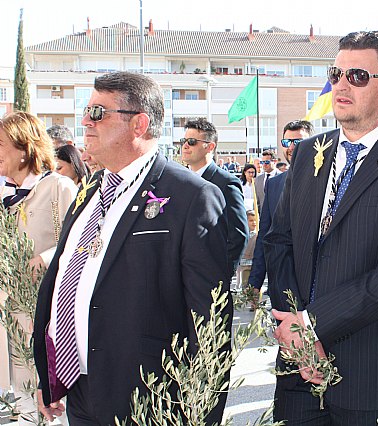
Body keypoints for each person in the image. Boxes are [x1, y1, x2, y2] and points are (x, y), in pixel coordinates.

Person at [264, 31, 378, 424]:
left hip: (372, 376)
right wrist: (294, 330)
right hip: (297, 373)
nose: (341, 85)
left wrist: (313, 325)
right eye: (336, 74)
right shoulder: (307, 154)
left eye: (358, 76)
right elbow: (278, 241)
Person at [33, 71, 230, 425]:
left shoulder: (191, 196)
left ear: (139, 124)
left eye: (98, 112)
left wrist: (201, 411)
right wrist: (48, 376)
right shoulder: (90, 189)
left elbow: (210, 317)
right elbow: (65, 277)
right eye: (86, 110)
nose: (85, 122)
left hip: (146, 397)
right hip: (80, 388)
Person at [0, 111, 78, 405]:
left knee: (50, 403)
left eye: (1, 144)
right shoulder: (4, 195)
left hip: (46, 317)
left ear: (24, 148)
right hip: (11, 318)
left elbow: (79, 243)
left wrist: (45, 258)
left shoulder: (59, 187)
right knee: (22, 399)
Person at [248, 120, 314, 310]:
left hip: (319, 286)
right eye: (286, 143)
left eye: (298, 142)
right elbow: (265, 236)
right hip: (283, 286)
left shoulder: (327, 179)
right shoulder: (275, 184)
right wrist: (255, 282)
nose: (291, 147)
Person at [181, 117, 249, 279]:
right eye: (183, 140)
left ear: (210, 146)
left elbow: (238, 234)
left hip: (210, 278)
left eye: (191, 141)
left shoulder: (225, 182)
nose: (185, 146)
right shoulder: (180, 180)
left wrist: (220, 273)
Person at [236, 210, 257, 293]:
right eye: (251, 220)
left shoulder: (257, 235)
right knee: (245, 286)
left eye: (255, 220)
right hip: (244, 266)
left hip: (254, 265)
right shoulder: (245, 235)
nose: (254, 223)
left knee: (253, 288)